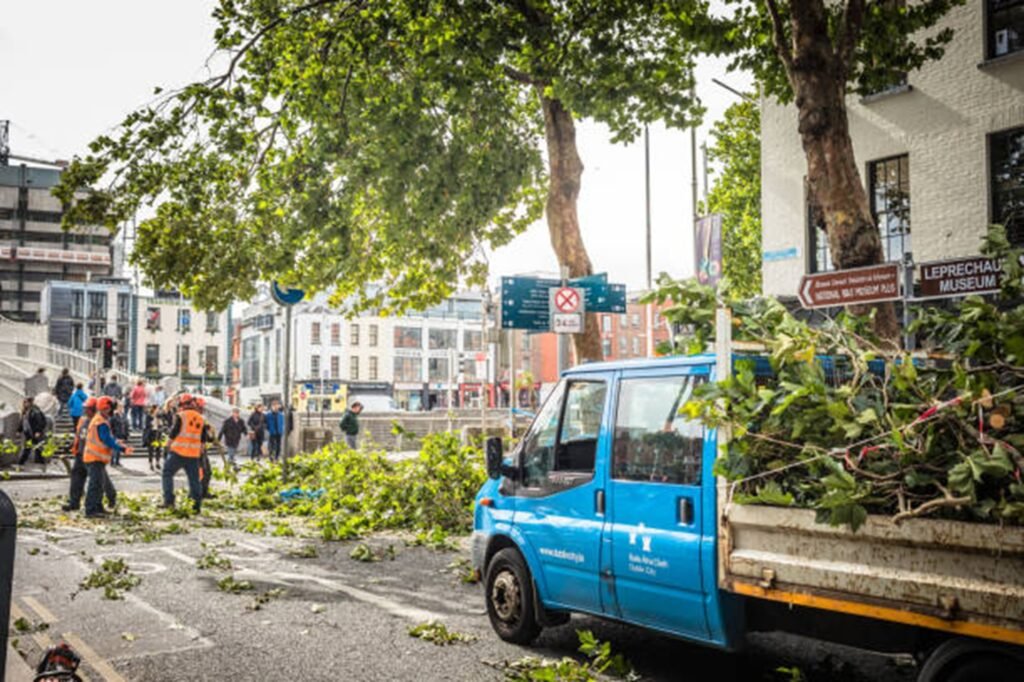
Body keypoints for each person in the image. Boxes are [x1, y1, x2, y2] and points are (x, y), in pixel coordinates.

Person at [63, 398, 116, 512]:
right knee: (77, 480)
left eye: (87, 409)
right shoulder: (83, 420)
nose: (85, 411)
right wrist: (73, 446)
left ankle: (109, 498)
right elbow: (79, 435)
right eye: (85, 408)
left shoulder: (99, 421)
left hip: (93, 457)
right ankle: (74, 502)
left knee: (99, 482)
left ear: (94, 409)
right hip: (80, 455)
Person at [83, 396, 130, 518]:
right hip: (95, 458)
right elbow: (106, 439)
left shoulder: (99, 420)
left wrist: (116, 442)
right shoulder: (101, 422)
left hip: (94, 457)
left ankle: (97, 507)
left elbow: (106, 438)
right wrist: (122, 448)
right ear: (107, 408)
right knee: (95, 485)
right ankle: (91, 510)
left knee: (99, 485)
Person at [161, 394, 207, 513]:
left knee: (167, 473)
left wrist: (167, 446)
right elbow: (203, 441)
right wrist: (200, 457)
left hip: (178, 452)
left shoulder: (181, 416)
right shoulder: (201, 418)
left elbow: (173, 433)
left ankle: (169, 501)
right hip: (193, 454)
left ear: (182, 404)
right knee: (194, 480)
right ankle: (196, 505)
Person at [18, 397, 48, 466]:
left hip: (34, 432)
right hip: (28, 432)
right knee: (33, 448)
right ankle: (42, 463)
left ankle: (21, 463)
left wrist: (38, 431)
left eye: (26, 402)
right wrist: (19, 430)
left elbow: (39, 421)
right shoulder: (25, 411)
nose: (25, 404)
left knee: (34, 448)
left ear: (30, 402)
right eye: (24, 402)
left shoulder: (35, 411)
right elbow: (23, 421)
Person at [142, 405, 163, 471]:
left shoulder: (158, 416)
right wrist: (152, 423)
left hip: (158, 433)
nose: (158, 410)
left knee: (158, 449)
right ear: (153, 409)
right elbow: (146, 425)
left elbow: (161, 425)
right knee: (151, 450)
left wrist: (160, 423)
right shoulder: (149, 416)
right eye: (157, 409)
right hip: (151, 434)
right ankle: (150, 463)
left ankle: (157, 462)